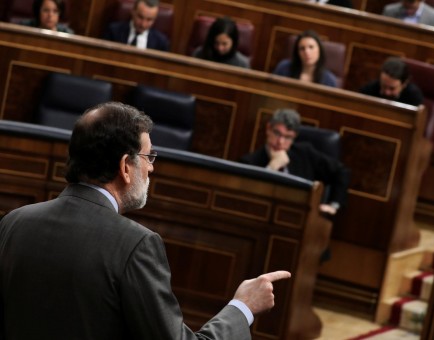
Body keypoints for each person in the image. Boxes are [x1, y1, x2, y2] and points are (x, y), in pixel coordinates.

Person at [0, 102, 290, 339]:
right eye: (148, 156)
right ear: (126, 166)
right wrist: (243, 308)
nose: (151, 168)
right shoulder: (135, 245)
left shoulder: (14, 222)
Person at [240, 109, 350, 216]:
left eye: (288, 137)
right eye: (277, 133)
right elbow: (248, 201)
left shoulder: (304, 153)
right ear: (268, 128)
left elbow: (341, 172)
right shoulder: (249, 162)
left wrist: (333, 205)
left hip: (300, 217)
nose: (280, 142)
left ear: (295, 137)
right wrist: (271, 168)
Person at [273, 30, 338, 87]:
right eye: (302, 48)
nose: (307, 52)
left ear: (319, 50)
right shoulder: (283, 68)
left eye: (311, 47)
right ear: (297, 52)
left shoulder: (329, 81)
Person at [103, 0, 170, 52]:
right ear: (133, 11)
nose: (143, 24)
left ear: (155, 19)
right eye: (140, 17)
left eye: (149, 20)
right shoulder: (113, 31)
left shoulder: (161, 42)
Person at [359, 56, 423, 106]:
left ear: (404, 84)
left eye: (392, 88)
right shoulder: (368, 90)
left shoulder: (414, 98)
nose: (387, 92)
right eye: (384, 86)